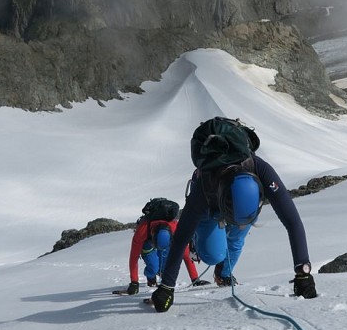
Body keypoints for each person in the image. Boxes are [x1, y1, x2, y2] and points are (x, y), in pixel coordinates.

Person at [149, 118, 317, 312]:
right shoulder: (203, 190)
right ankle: (205, 245)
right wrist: (167, 286)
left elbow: (292, 220)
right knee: (213, 255)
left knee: (237, 238)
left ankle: (224, 272)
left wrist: (303, 271)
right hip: (212, 209)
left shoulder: (260, 168)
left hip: (241, 207)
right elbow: (180, 238)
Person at [123, 214, 210, 295]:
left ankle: (159, 271)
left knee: (164, 271)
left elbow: (186, 256)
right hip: (147, 244)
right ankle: (150, 276)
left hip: (167, 243)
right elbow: (134, 258)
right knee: (153, 268)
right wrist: (134, 282)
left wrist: (195, 279)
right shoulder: (142, 231)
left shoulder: (176, 231)